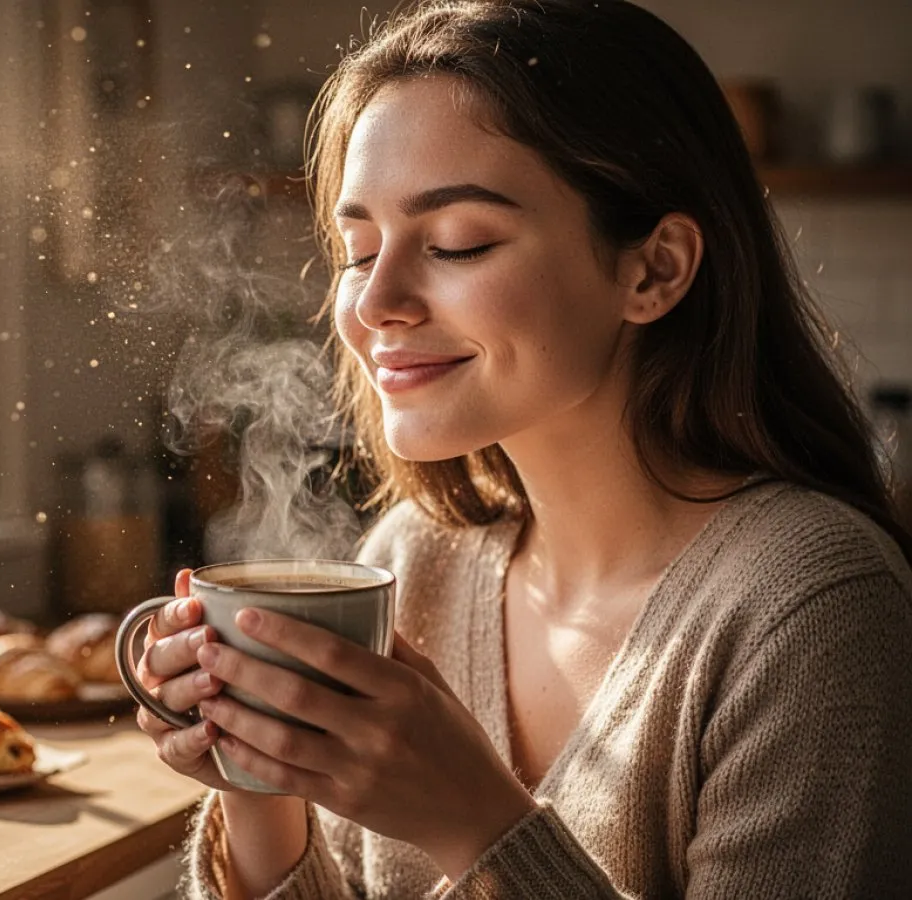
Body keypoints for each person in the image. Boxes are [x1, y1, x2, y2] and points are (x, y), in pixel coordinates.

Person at [135, 1, 912, 897]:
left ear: (653, 270)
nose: (376, 301)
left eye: (458, 243)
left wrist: (475, 824)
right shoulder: (409, 562)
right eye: (357, 250)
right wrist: (260, 783)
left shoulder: (812, 609)